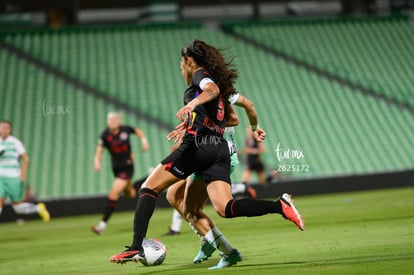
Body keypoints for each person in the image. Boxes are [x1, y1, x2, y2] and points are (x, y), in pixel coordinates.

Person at [109, 39, 304, 267]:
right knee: (225, 207)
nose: (181, 69)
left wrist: (192, 107)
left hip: (199, 147)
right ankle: (279, 205)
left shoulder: (200, 76)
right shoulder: (216, 86)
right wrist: (195, 121)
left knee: (148, 188)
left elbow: (212, 89)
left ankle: (135, 247)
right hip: (218, 149)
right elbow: (231, 118)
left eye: (181, 64)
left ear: (189, 61)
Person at [164, 91, 263, 268]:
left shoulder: (218, 90)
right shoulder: (198, 93)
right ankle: (208, 239)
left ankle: (220, 246)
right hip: (201, 150)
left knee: (203, 209)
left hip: (216, 153)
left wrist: (254, 128)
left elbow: (234, 119)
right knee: (173, 195)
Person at [91, 112, 149, 235]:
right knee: (131, 193)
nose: (112, 121)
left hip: (127, 165)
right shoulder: (105, 135)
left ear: (118, 121)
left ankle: (102, 225)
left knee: (114, 193)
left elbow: (138, 131)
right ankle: (148, 177)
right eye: (110, 120)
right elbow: (99, 150)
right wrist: (97, 161)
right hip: (116, 168)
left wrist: (144, 141)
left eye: (114, 119)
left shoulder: (125, 130)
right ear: (107, 122)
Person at [0, 120, 50, 222]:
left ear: (10, 130)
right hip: (1, 176)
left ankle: (38, 208)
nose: (4, 129)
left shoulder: (15, 142)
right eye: (2, 127)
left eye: (6, 127)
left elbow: (26, 159)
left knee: (18, 207)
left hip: (13, 176)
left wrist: (23, 173)